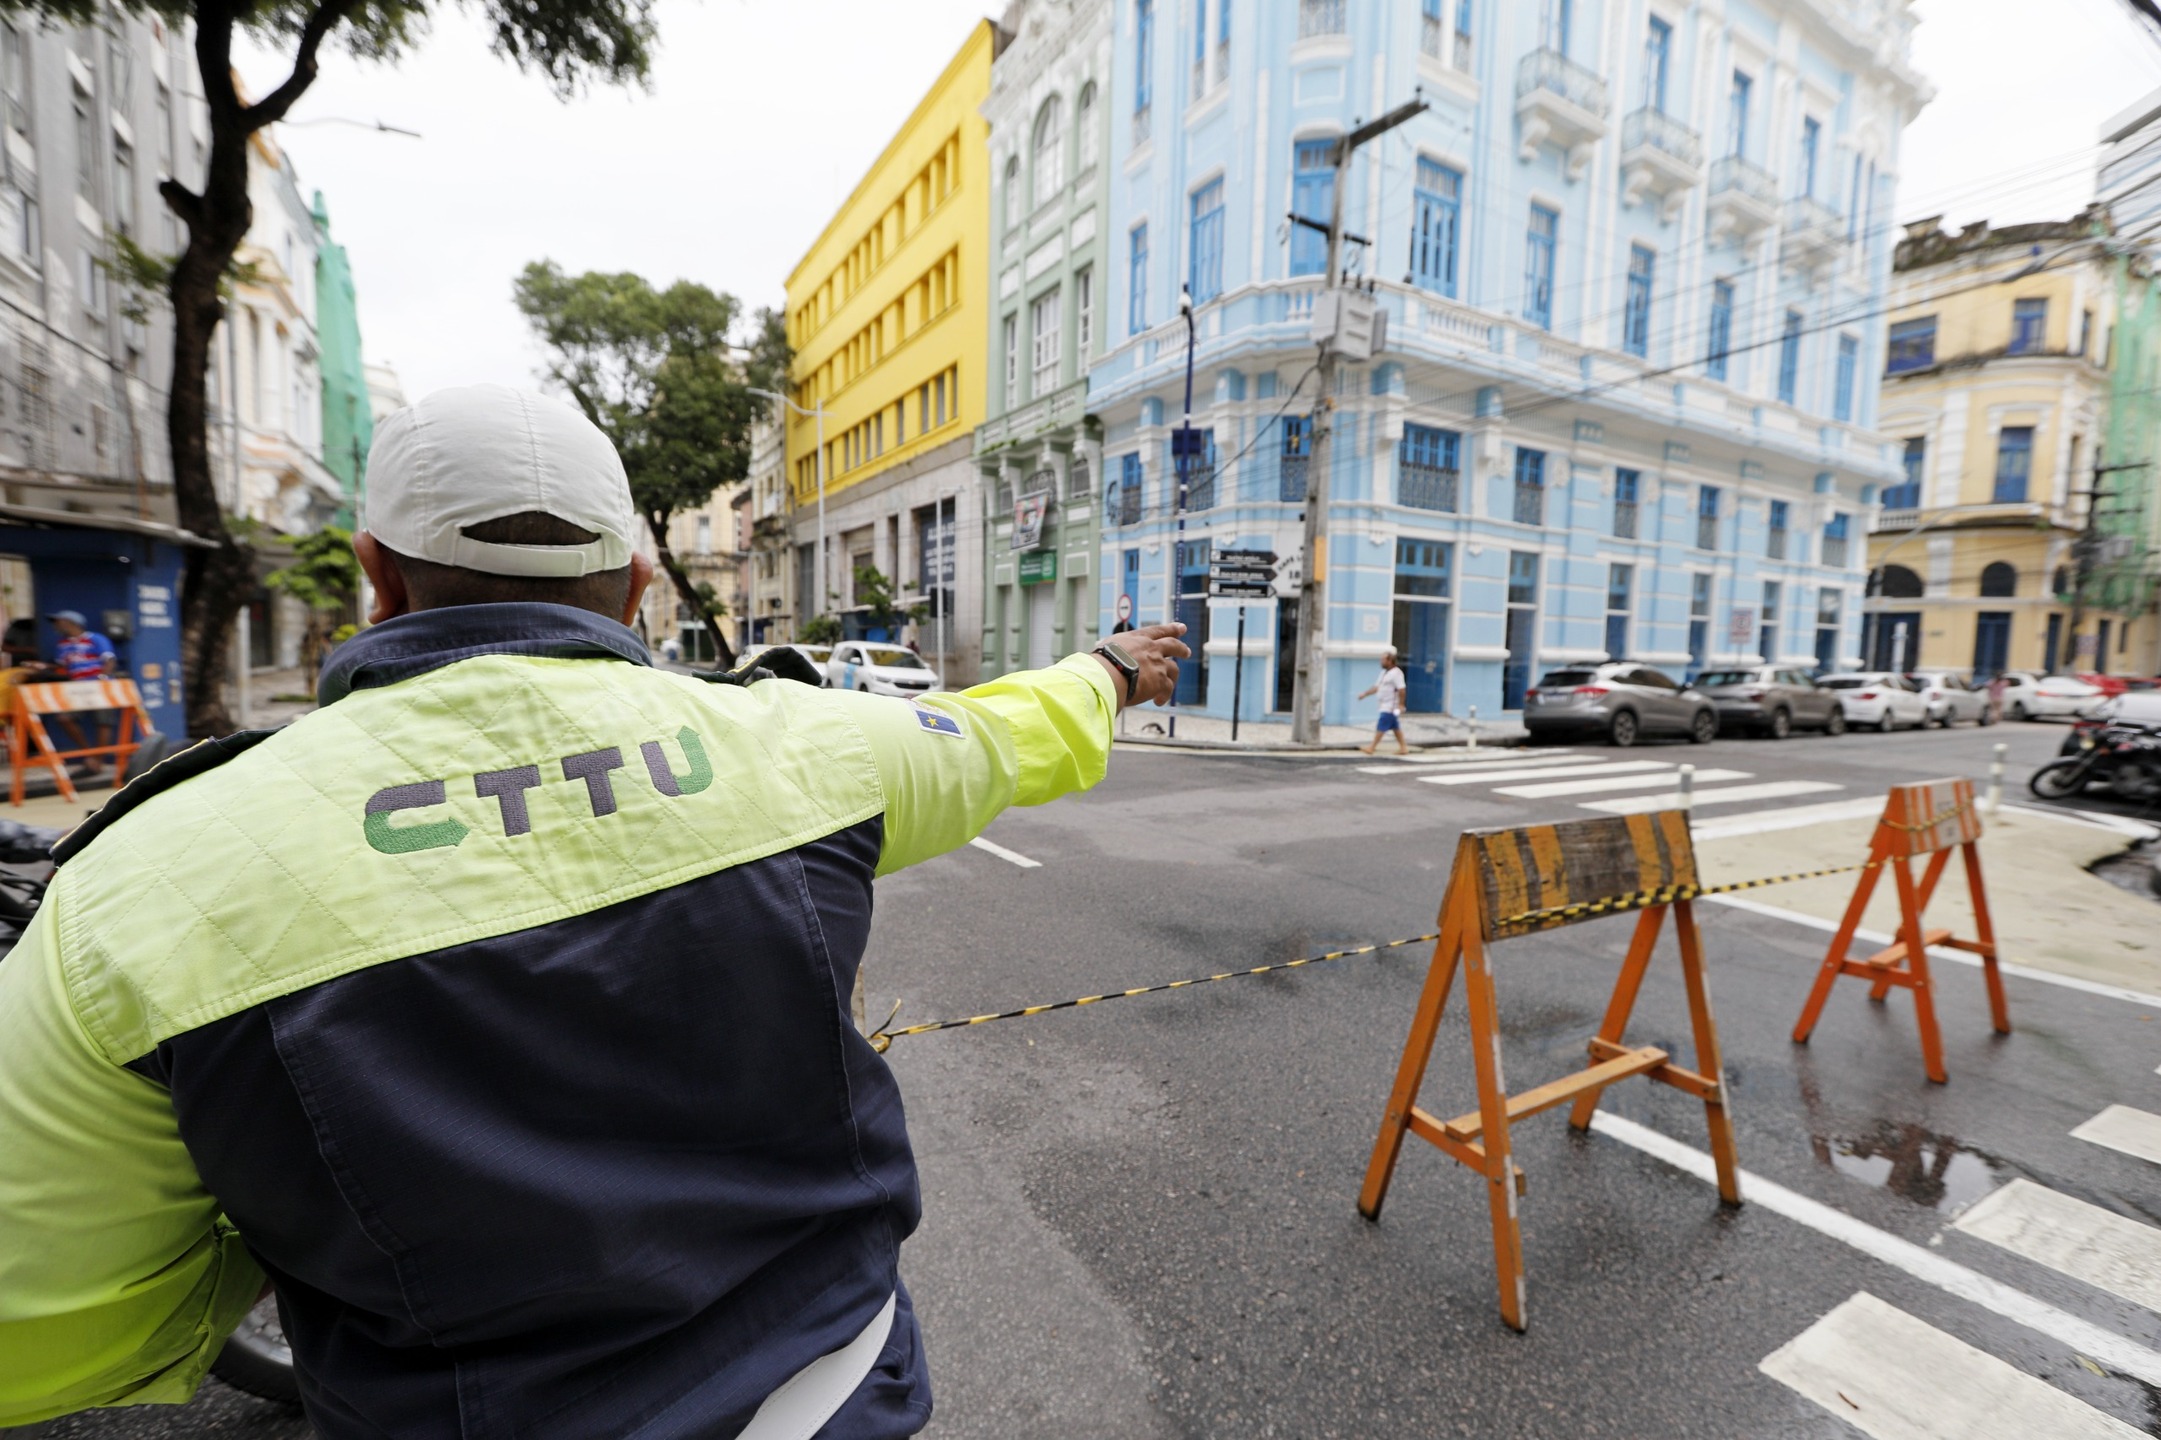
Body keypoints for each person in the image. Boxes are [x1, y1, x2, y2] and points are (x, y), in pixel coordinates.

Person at [0, 385, 1189, 1438]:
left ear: (375, 573)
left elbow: (41, 1316)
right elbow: (995, 734)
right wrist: (1108, 667)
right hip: (830, 1392)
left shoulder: (144, 879)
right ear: (631, 584)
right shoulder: (810, 748)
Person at [1358, 649, 1410, 755]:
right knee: (1395, 727)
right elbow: (1376, 687)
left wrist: (1401, 704)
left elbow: (1402, 689)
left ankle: (1372, 747)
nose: (1381, 662)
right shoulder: (1384, 673)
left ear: (1390, 661)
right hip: (1384, 704)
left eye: (1383, 660)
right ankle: (1403, 748)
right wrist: (1365, 694)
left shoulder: (1397, 673)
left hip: (1390, 706)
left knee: (1382, 725)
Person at [46, 609, 116, 678]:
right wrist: (44, 666)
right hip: (76, 683)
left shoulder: (96, 638)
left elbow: (109, 660)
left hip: (96, 682)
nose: (55, 626)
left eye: (58, 623)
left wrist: (103, 677)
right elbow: (62, 665)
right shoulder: (62, 643)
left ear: (70, 623)